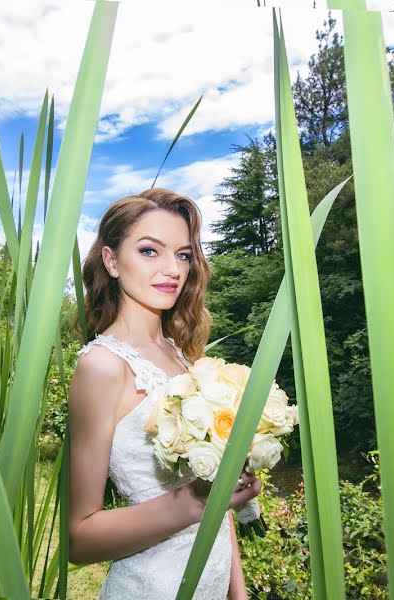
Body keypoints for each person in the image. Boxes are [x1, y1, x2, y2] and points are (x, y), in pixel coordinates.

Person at [67, 188, 263, 599]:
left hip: (210, 579)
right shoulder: (101, 366)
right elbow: (79, 539)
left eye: (184, 254)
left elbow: (214, 497)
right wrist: (195, 500)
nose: (173, 269)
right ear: (111, 261)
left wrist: (239, 594)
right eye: (150, 251)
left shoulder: (184, 357)